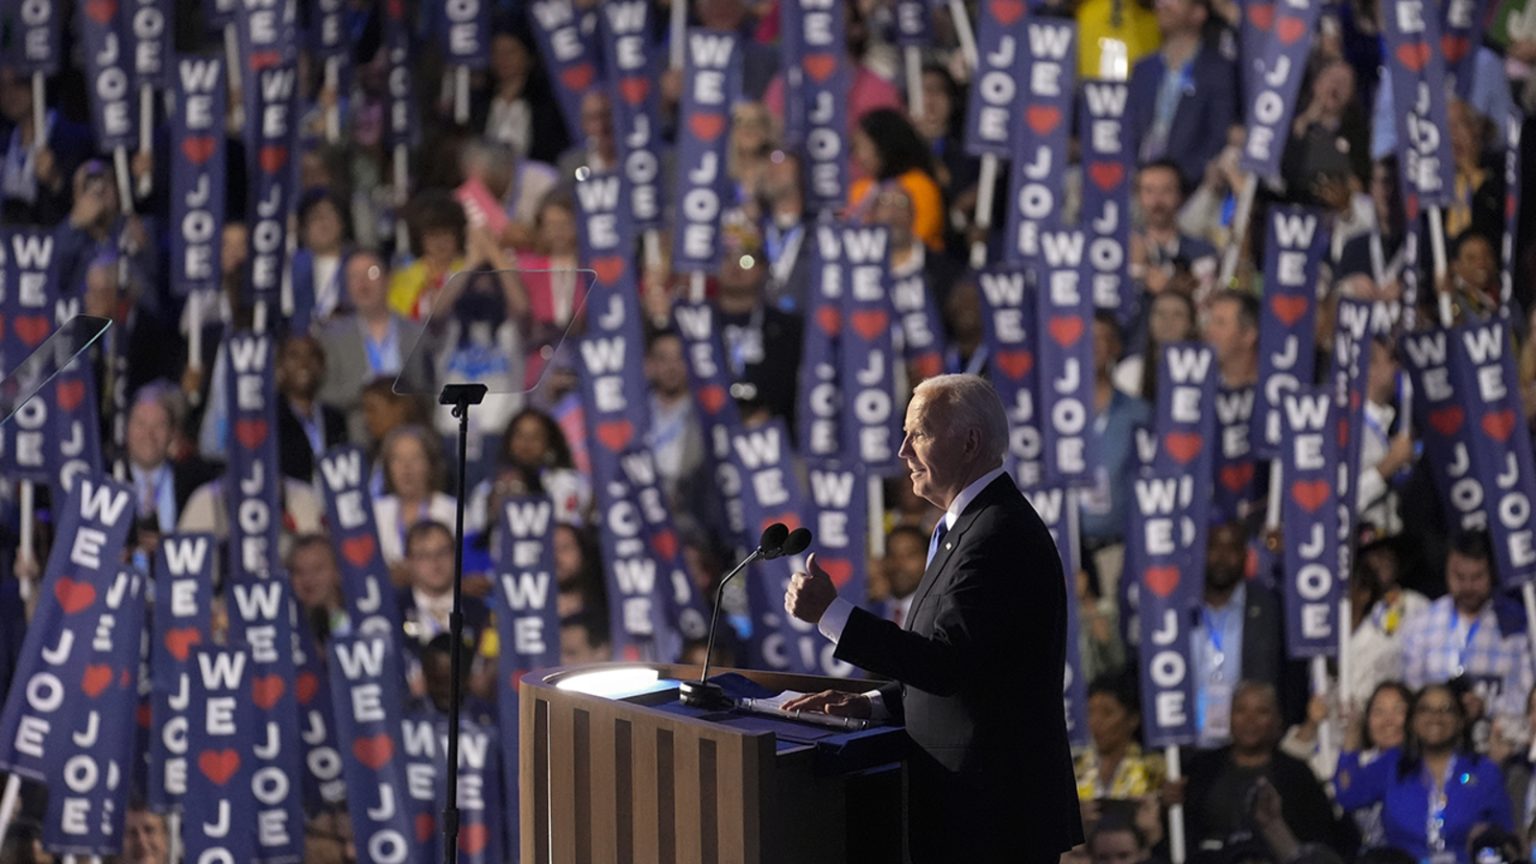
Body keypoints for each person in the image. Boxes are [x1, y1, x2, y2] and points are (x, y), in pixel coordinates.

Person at [781, 373, 1082, 861]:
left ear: (969, 441)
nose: (902, 451)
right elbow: (971, 671)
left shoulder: (996, 534)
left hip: (993, 819)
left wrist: (831, 614)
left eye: (918, 433)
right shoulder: (968, 526)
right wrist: (873, 704)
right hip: (970, 812)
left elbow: (947, 665)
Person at [1334, 682, 1513, 862]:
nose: (1435, 717)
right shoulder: (1393, 764)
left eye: (1446, 709)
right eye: (1425, 710)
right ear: (1412, 721)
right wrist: (1351, 738)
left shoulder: (1483, 770)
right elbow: (1347, 794)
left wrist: (1487, 837)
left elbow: (1505, 833)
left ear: (1460, 721)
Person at [1181, 681, 1352, 855]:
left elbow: (1320, 839)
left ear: (1277, 720)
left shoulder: (1297, 775)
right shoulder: (1202, 769)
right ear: (1230, 717)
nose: (1250, 721)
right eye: (1241, 711)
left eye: (1261, 712)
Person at [1398, 530, 1535, 731]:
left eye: (1477, 577)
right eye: (1459, 577)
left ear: (1493, 573)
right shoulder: (1420, 625)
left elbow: (1528, 696)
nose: (1468, 586)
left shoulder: (1519, 626)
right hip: (1434, 744)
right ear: (1446, 570)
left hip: (1497, 743)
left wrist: (1487, 706)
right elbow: (1409, 693)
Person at [1192, 523, 1290, 747]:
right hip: (1186, 748)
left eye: (1232, 549)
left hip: (1249, 750)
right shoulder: (1178, 609)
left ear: (1246, 556)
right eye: (1213, 548)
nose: (1222, 557)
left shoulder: (1270, 608)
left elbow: (1287, 679)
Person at [1127, 0, 1237, 188]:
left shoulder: (1218, 70)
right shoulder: (1143, 69)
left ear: (1198, 13)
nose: (1162, 4)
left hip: (1190, 187)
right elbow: (1128, 130)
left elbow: (1218, 136)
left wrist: (1176, 181)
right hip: (1137, 184)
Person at [846, 108, 945, 251]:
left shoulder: (920, 186)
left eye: (859, 147)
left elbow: (918, 237)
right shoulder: (860, 188)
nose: (855, 156)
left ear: (882, 146)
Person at [372, 425, 457, 568]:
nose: (406, 467)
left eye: (415, 458)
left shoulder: (452, 510)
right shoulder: (375, 512)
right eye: (397, 459)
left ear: (431, 465)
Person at [275, 334, 348, 485]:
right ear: (280, 366)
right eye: (294, 356)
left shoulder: (334, 418)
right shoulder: (271, 417)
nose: (304, 363)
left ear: (322, 366)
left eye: (312, 356)